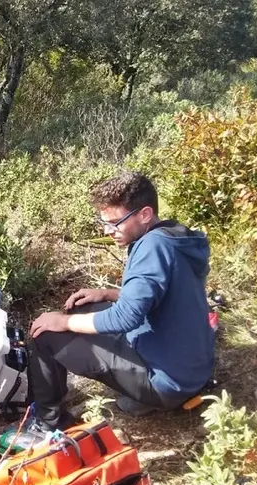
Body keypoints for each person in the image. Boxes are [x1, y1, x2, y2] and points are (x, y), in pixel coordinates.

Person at [25, 171, 214, 431]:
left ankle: (47, 423)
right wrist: (107, 294)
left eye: (115, 223)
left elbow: (126, 318)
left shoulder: (152, 247)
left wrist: (63, 322)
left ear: (144, 214)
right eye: (104, 222)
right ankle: (141, 395)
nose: (108, 231)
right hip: (192, 369)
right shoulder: (174, 236)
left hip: (168, 383)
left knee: (45, 334)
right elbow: (168, 293)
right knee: (82, 307)